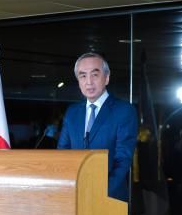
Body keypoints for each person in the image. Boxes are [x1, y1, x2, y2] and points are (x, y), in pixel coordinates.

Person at [57, 52, 138, 202]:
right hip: (75, 196)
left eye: (94, 75)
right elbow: (62, 154)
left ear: (106, 78)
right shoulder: (72, 112)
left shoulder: (124, 111)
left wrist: (99, 192)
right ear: (78, 81)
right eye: (83, 76)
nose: (89, 82)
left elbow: (123, 159)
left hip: (109, 198)